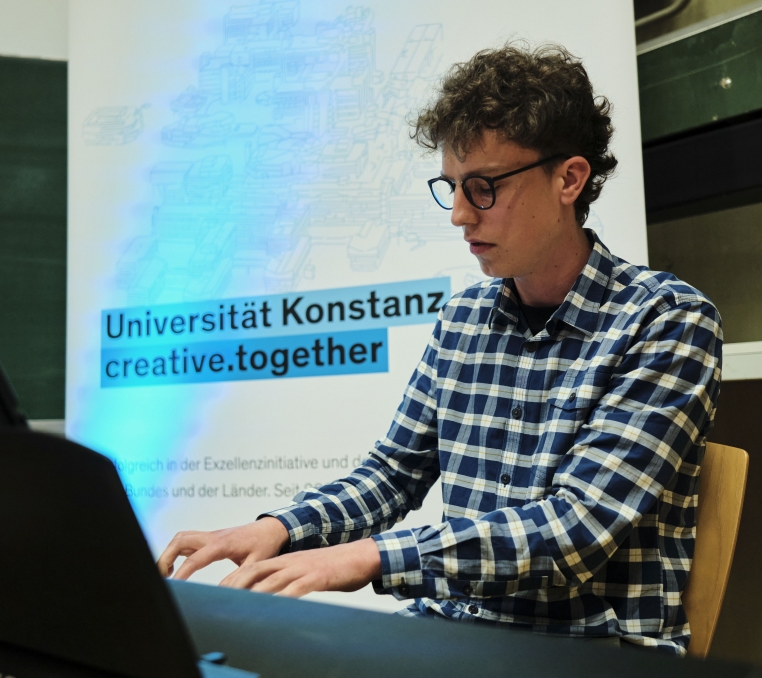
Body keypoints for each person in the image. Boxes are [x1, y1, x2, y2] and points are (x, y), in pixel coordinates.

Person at [158, 44, 722, 655]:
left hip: (586, 650)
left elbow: (573, 530)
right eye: (451, 187)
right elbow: (395, 473)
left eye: (483, 189)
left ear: (569, 179)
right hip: (456, 636)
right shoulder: (464, 317)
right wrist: (281, 528)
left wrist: (369, 557)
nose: (458, 215)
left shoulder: (666, 320)